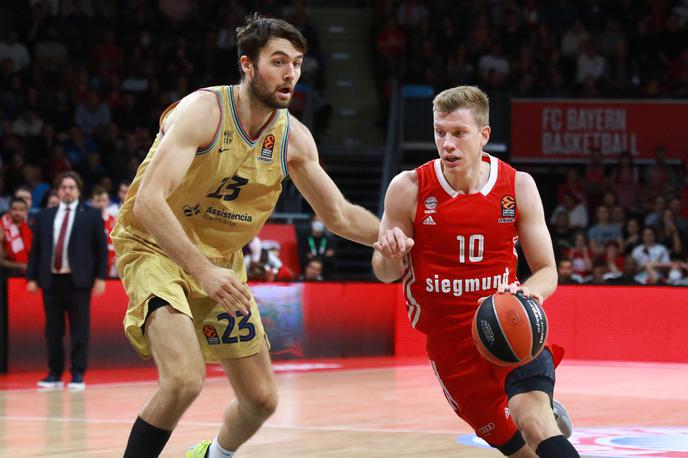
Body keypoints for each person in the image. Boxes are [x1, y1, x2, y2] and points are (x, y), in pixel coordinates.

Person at [111, 14, 379, 458]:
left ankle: (211, 456)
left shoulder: (294, 138)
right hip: (154, 247)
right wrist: (200, 270)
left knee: (261, 400)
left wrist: (400, 236)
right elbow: (148, 203)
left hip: (220, 261)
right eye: (278, 61)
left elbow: (340, 215)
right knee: (183, 380)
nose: (290, 72)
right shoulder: (204, 111)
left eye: (296, 62)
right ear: (248, 65)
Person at [372, 86, 578, 457]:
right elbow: (386, 273)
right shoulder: (409, 188)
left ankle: (541, 413)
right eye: (440, 132)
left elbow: (547, 269)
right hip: (451, 346)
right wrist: (390, 253)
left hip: (509, 325)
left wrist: (533, 293)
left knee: (533, 422)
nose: (447, 143)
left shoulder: (517, 185)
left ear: (483, 135)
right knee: (519, 450)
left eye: (458, 133)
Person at [26, 171, 108, 390]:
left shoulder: (90, 215)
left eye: (71, 187)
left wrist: (101, 277)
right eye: (64, 187)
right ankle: (54, 373)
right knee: (53, 331)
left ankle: (78, 374)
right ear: (58, 190)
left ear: (79, 191)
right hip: (51, 280)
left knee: (79, 330)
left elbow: (101, 250)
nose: (67, 191)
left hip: (78, 281)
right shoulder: (45, 215)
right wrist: (32, 277)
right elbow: (37, 250)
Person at [90, 185, 118, 278]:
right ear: (92, 202)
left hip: (112, 263)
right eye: (98, 201)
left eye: (104, 201)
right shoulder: (86, 220)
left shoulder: (114, 220)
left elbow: (119, 241)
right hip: (92, 262)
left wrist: (118, 255)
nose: (101, 204)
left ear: (108, 202)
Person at [0, 197, 32, 274]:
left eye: (21, 210)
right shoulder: (2, 227)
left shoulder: (30, 228)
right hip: (8, 274)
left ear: (26, 212)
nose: (18, 213)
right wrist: (22, 266)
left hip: (29, 273)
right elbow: (1, 261)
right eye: (14, 209)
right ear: (9, 210)